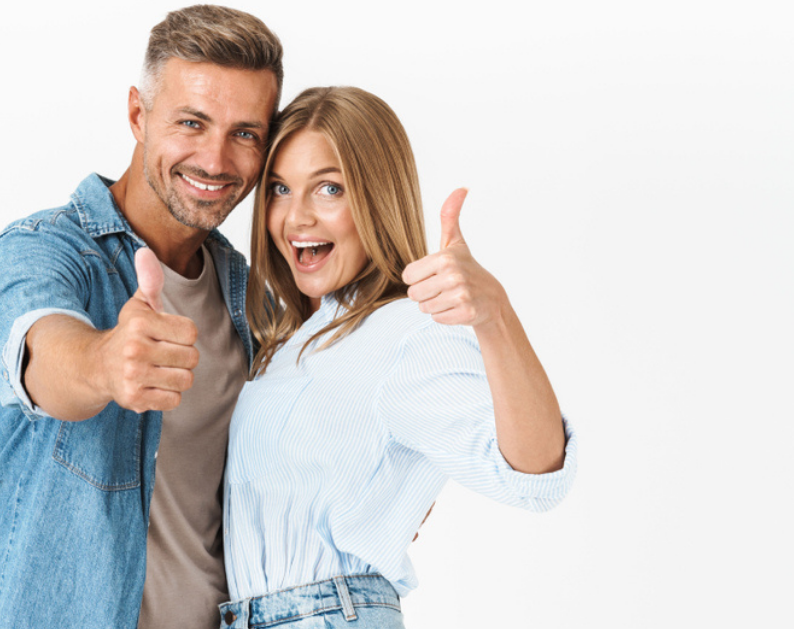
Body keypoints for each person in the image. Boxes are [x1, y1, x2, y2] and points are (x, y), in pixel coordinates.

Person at [0, 6, 282, 629]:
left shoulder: (256, 300)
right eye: (191, 122)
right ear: (138, 114)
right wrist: (106, 363)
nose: (216, 160)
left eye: (245, 133)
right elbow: (40, 352)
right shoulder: (41, 250)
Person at [218, 87, 578, 628]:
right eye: (279, 189)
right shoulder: (293, 341)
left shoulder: (409, 329)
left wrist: (494, 316)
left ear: (377, 197)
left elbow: (533, 477)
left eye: (329, 188)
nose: (296, 217)